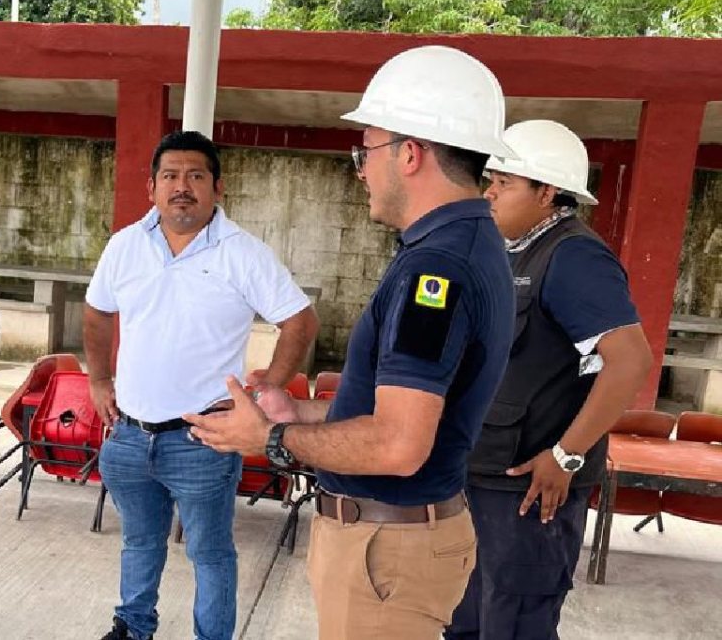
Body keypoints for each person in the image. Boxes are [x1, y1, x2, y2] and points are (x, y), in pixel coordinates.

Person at [184, 45, 518, 639]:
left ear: (409, 154)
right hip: (392, 543)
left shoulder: (434, 271)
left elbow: (398, 445)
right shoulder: (467, 244)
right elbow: (404, 413)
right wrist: (303, 412)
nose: (360, 169)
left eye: (365, 152)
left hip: (386, 552)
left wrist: (271, 438)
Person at [84, 130, 318, 640]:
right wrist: (99, 378)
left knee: (209, 553)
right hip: (128, 433)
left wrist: (264, 393)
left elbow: (300, 320)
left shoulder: (243, 254)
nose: (181, 186)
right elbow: (98, 312)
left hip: (204, 440)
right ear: (152, 187)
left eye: (195, 176)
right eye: (170, 176)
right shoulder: (124, 246)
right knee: (139, 542)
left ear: (218, 187)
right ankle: (133, 626)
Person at [446, 120, 652, 640]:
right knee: (464, 619)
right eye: (490, 179)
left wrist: (565, 456)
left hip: (530, 489)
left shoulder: (574, 256)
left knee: (514, 625)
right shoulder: (510, 250)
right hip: (483, 474)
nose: (488, 192)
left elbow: (628, 360)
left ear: (547, 192)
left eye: (505, 183)